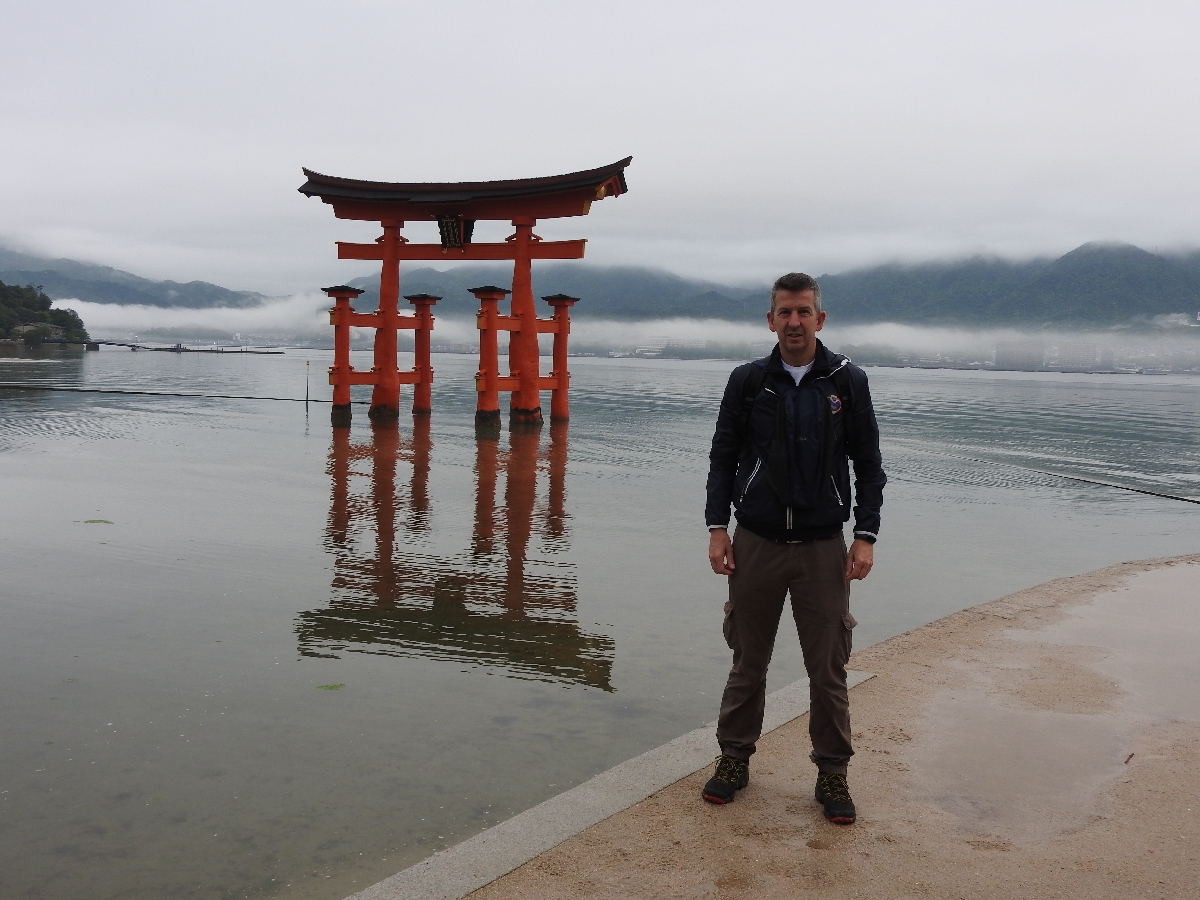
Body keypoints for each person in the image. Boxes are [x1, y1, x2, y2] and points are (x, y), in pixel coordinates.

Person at [702, 272, 886, 825]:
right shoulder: (749, 381)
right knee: (747, 662)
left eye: (804, 311)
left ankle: (832, 772)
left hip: (822, 545)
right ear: (771, 320)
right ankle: (734, 759)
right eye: (785, 312)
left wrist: (866, 535)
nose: (795, 322)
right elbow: (722, 457)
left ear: (819, 319)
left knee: (827, 668)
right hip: (755, 540)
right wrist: (717, 527)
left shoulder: (846, 382)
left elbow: (869, 465)